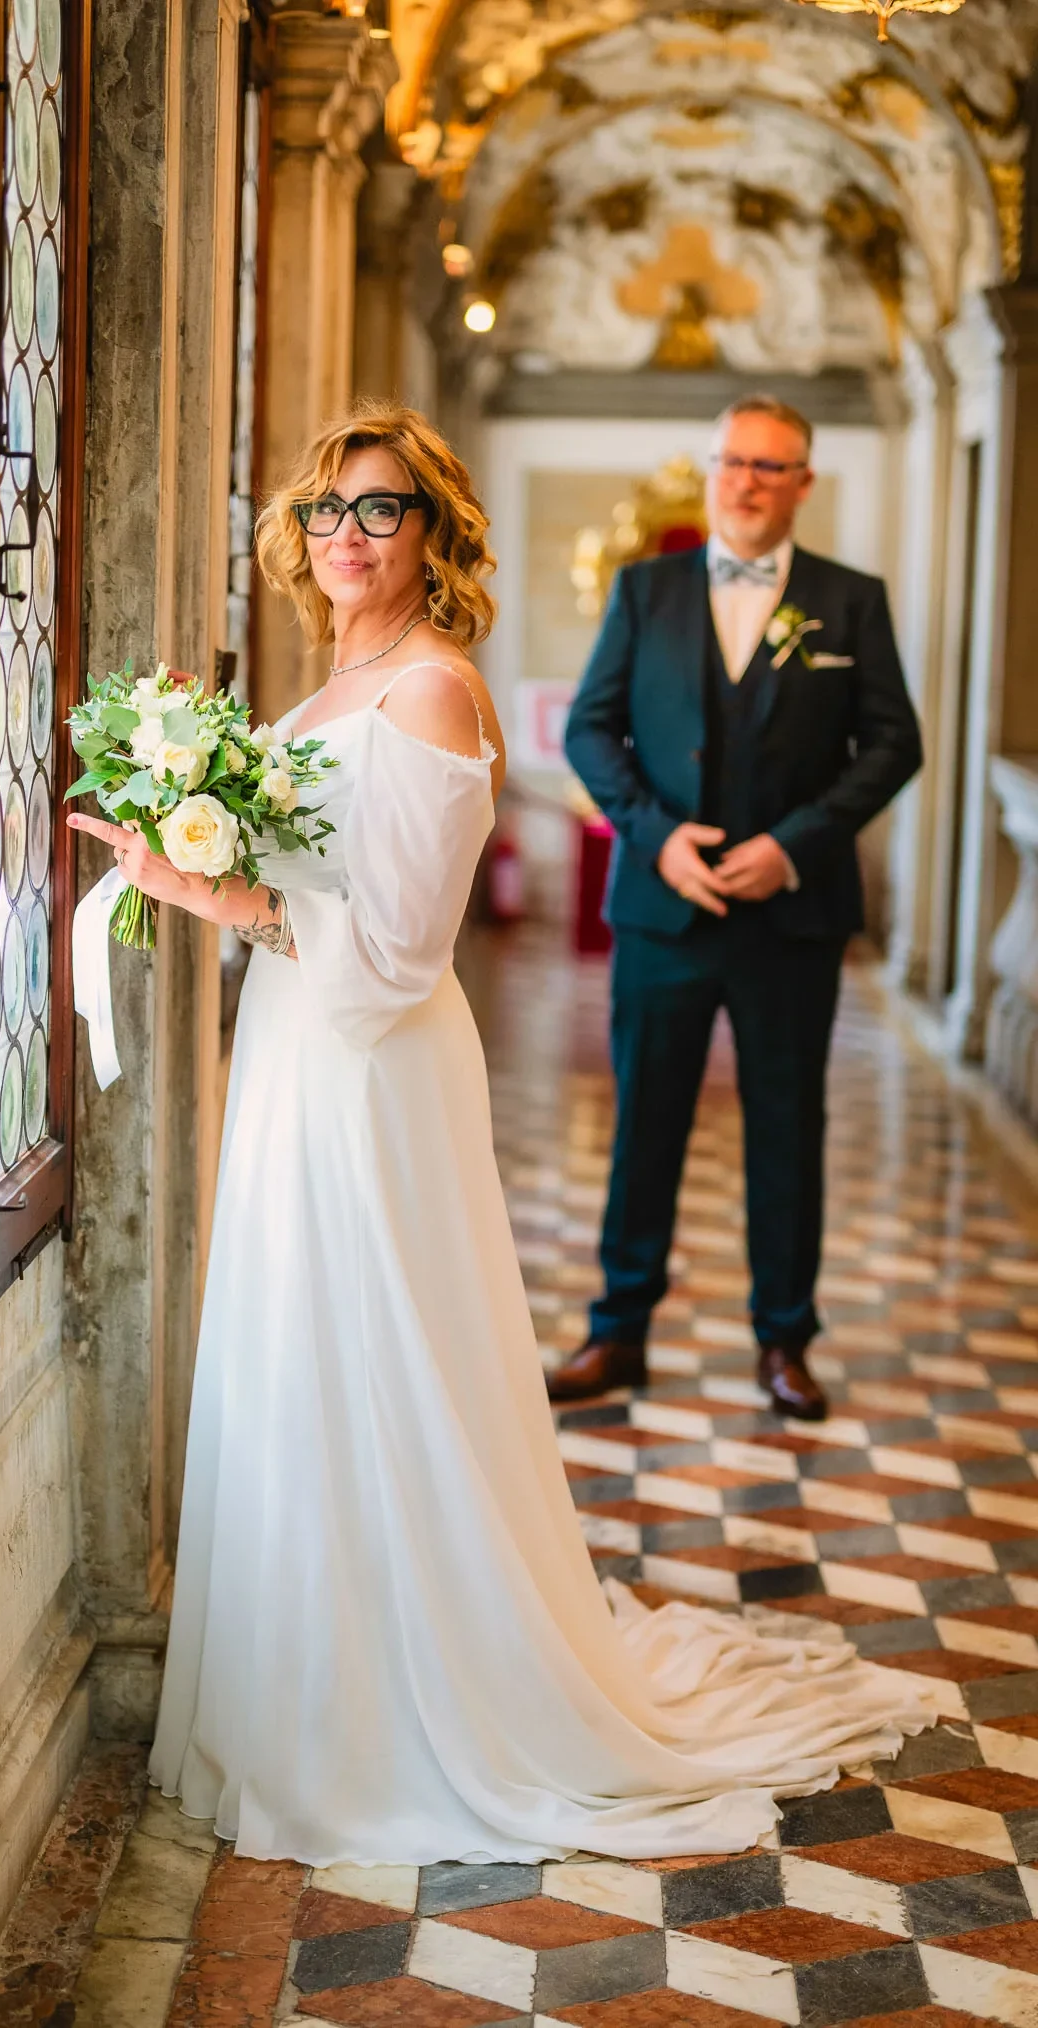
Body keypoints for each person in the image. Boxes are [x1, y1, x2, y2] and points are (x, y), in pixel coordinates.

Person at [69, 401, 927, 1867]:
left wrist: (203, 888)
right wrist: (196, 822)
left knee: (375, 1348)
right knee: (305, 1349)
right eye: (330, 510)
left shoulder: (431, 691)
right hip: (300, 1056)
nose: (350, 535)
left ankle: (401, 1706)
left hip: (373, 1068)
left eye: (383, 510)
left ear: (435, 532)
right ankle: (310, 1672)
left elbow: (399, 953)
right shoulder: (338, 671)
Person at [554, 397, 923, 1421]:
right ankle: (616, 1330)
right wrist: (653, 834)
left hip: (786, 920)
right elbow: (590, 731)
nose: (747, 481)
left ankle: (783, 1342)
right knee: (645, 1124)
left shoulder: (849, 603)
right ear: (711, 468)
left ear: (802, 483)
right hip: (661, 910)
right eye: (733, 462)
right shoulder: (643, 591)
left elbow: (895, 744)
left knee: (784, 1124)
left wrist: (791, 848)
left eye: (771, 466)